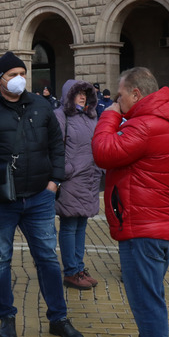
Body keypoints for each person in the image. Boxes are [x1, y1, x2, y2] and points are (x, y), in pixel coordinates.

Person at [0, 51, 84, 337]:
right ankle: (7, 317)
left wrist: (55, 181)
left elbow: (57, 145)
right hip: (0, 200)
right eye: (12, 74)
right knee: (0, 261)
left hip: (40, 197)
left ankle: (59, 318)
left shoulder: (41, 106)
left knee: (47, 259)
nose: (19, 79)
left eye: (22, 73)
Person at [92, 66, 169, 337]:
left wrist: (109, 116)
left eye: (120, 95)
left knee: (147, 303)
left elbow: (103, 151)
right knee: (152, 298)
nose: (116, 101)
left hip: (144, 229)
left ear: (136, 93)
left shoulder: (145, 125)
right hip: (164, 225)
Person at [54, 79, 104, 290]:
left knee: (81, 224)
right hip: (71, 179)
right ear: (69, 95)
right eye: (78, 93)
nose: (83, 96)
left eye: (85, 93)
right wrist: (66, 170)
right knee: (69, 225)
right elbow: (55, 146)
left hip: (89, 178)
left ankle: (79, 268)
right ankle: (71, 271)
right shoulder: (61, 115)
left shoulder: (90, 116)